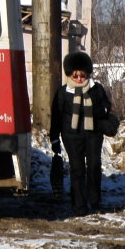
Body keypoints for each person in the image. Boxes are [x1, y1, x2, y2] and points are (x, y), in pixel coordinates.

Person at [49, 51, 113, 215]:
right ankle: (79, 205)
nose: (79, 79)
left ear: (88, 74)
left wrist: (96, 109)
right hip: (71, 136)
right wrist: (54, 138)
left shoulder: (96, 89)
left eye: (82, 75)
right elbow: (57, 116)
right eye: (75, 75)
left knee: (93, 167)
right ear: (69, 74)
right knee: (77, 169)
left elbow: (106, 107)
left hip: (93, 134)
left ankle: (95, 202)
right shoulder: (63, 92)